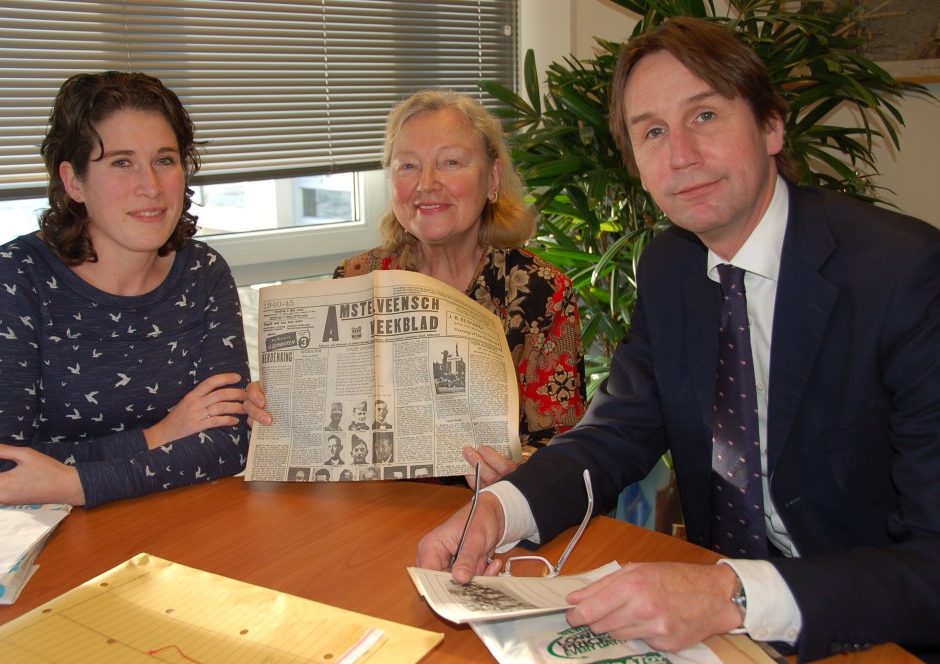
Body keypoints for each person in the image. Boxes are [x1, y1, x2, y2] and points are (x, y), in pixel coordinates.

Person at [416, 16, 939, 663]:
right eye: (653, 132)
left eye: (705, 116)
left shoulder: (906, 275)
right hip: (717, 628)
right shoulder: (671, 266)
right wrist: (499, 511)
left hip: (869, 629)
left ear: (772, 127)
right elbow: (617, 432)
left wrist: (731, 593)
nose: (681, 155)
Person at [246, 89, 587, 482]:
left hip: (492, 508)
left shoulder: (542, 292)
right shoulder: (357, 278)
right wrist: (275, 408)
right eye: (408, 166)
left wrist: (517, 471)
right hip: (375, 506)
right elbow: (326, 423)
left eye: (450, 162)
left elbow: (565, 445)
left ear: (492, 178)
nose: (426, 183)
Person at [0, 71, 250, 509]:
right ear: (74, 181)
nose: (151, 187)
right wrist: (159, 436)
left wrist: (72, 483)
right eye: (121, 163)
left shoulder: (203, 272)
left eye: (164, 160)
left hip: (181, 516)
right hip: (53, 532)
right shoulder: (21, 274)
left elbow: (229, 443)